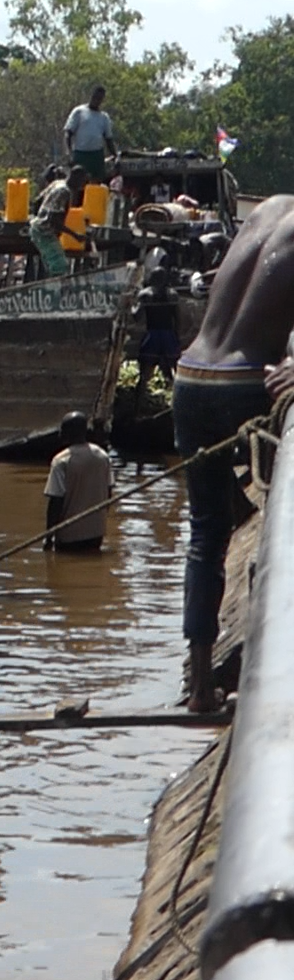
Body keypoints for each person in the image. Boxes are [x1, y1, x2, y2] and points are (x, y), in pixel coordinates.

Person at [174, 196, 294, 711]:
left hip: (192, 375)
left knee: (205, 533)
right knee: (273, 520)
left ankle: (201, 687)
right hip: (246, 382)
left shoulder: (269, 209)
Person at [43, 412, 113, 553]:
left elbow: (56, 501)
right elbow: (108, 493)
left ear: (67, 432)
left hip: (69, 537)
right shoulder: (102, 456)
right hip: (96, 534)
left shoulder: (61, 461)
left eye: (62, 429)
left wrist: (48, 536)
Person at [28, 166, 89, 278]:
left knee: (51, 264)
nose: (82, 186)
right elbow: (54, 220)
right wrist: (75, 235)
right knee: (60, 265)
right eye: (82, 181)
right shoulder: (64, 192)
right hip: (44, 231)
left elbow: (37, 200)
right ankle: (54, 291)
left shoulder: (57, 183)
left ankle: (47, 284)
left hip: (38, 227)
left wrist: (39, 216)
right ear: (75, 177)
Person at [134, 255, 181, 401]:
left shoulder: (145, 294)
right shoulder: (173, 294)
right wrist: (176, 336)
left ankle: (138, 406)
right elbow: (178, 319)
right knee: (176, 373)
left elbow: (136, 316)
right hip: (168, 335)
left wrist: (130, 306)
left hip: (152, 335)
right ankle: (177, 401)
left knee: (144, 375)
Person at [64, 85, 118, 181]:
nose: (96, 100)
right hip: (80, 155)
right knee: (77, 184)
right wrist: (69, 153)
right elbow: (68, 133)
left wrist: (115, 156)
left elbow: (108, 139)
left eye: (99, 99)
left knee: (96, 184)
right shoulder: (79, 112)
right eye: (95, 97)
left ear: (102, 100)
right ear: (91, 96)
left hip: (96, 156)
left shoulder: (104, 117)